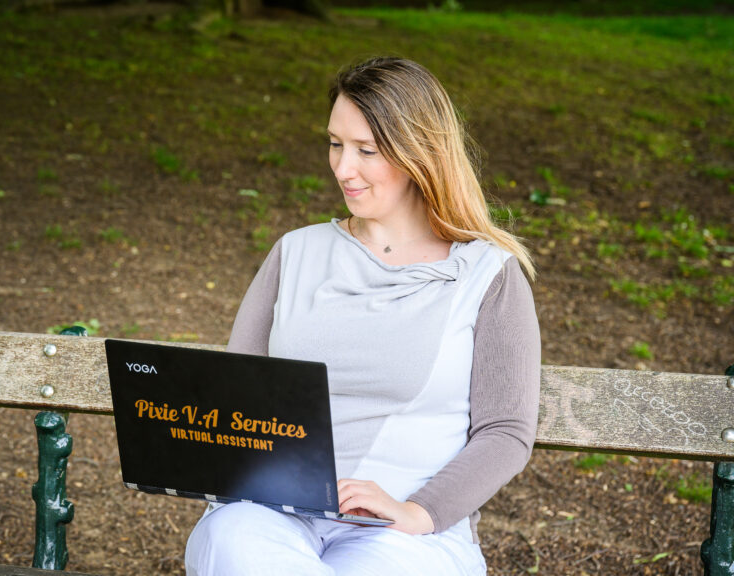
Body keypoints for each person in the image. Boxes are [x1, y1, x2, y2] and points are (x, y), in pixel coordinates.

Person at [184, 56, 540, 576]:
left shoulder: (488, 274)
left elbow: (505, 431)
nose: (342, 168)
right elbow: (238, 395)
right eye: (335, 144)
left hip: (407, 534)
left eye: (366, 150)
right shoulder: (296, 253)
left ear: (420, 153)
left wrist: (418, 511)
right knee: (231, 538)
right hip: (274, 516)